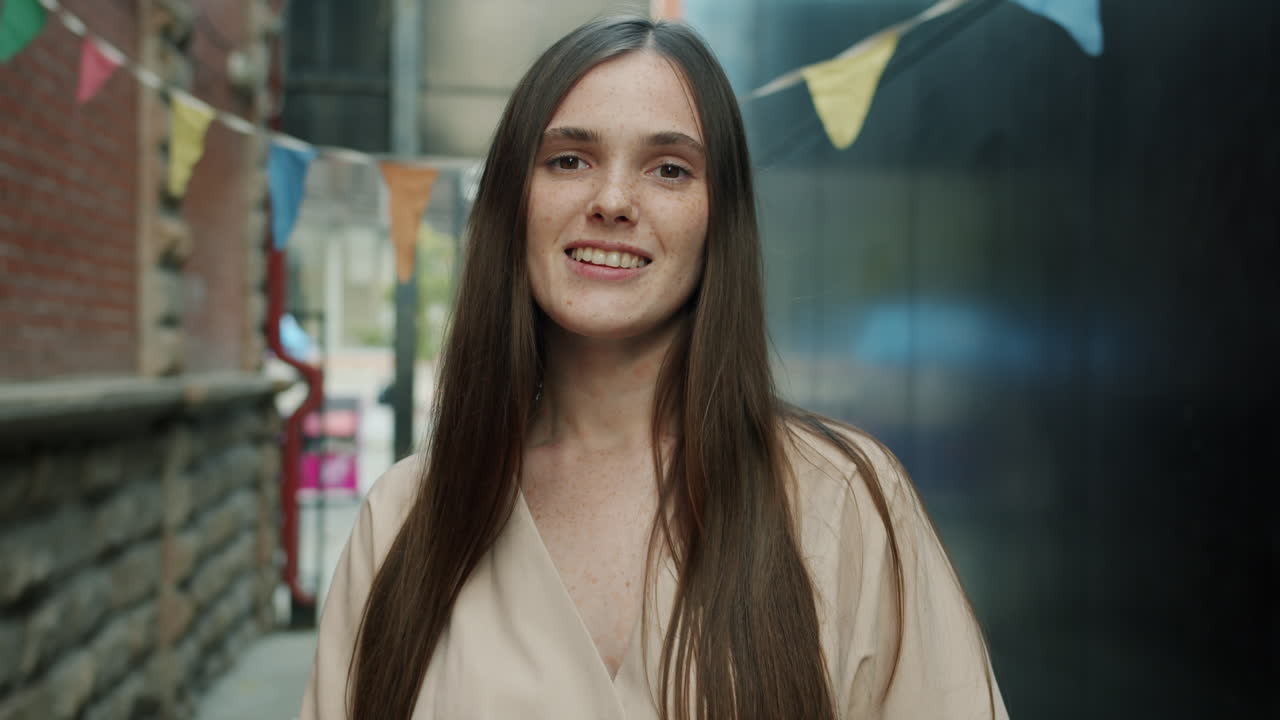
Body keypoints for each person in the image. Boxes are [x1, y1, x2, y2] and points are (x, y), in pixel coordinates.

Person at [301, 16, 1008, 720]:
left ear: (719, 219)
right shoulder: (405, 518)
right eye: (569, 160)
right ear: (512, 201)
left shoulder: (842, 500)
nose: (612, 202)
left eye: (669, 169)